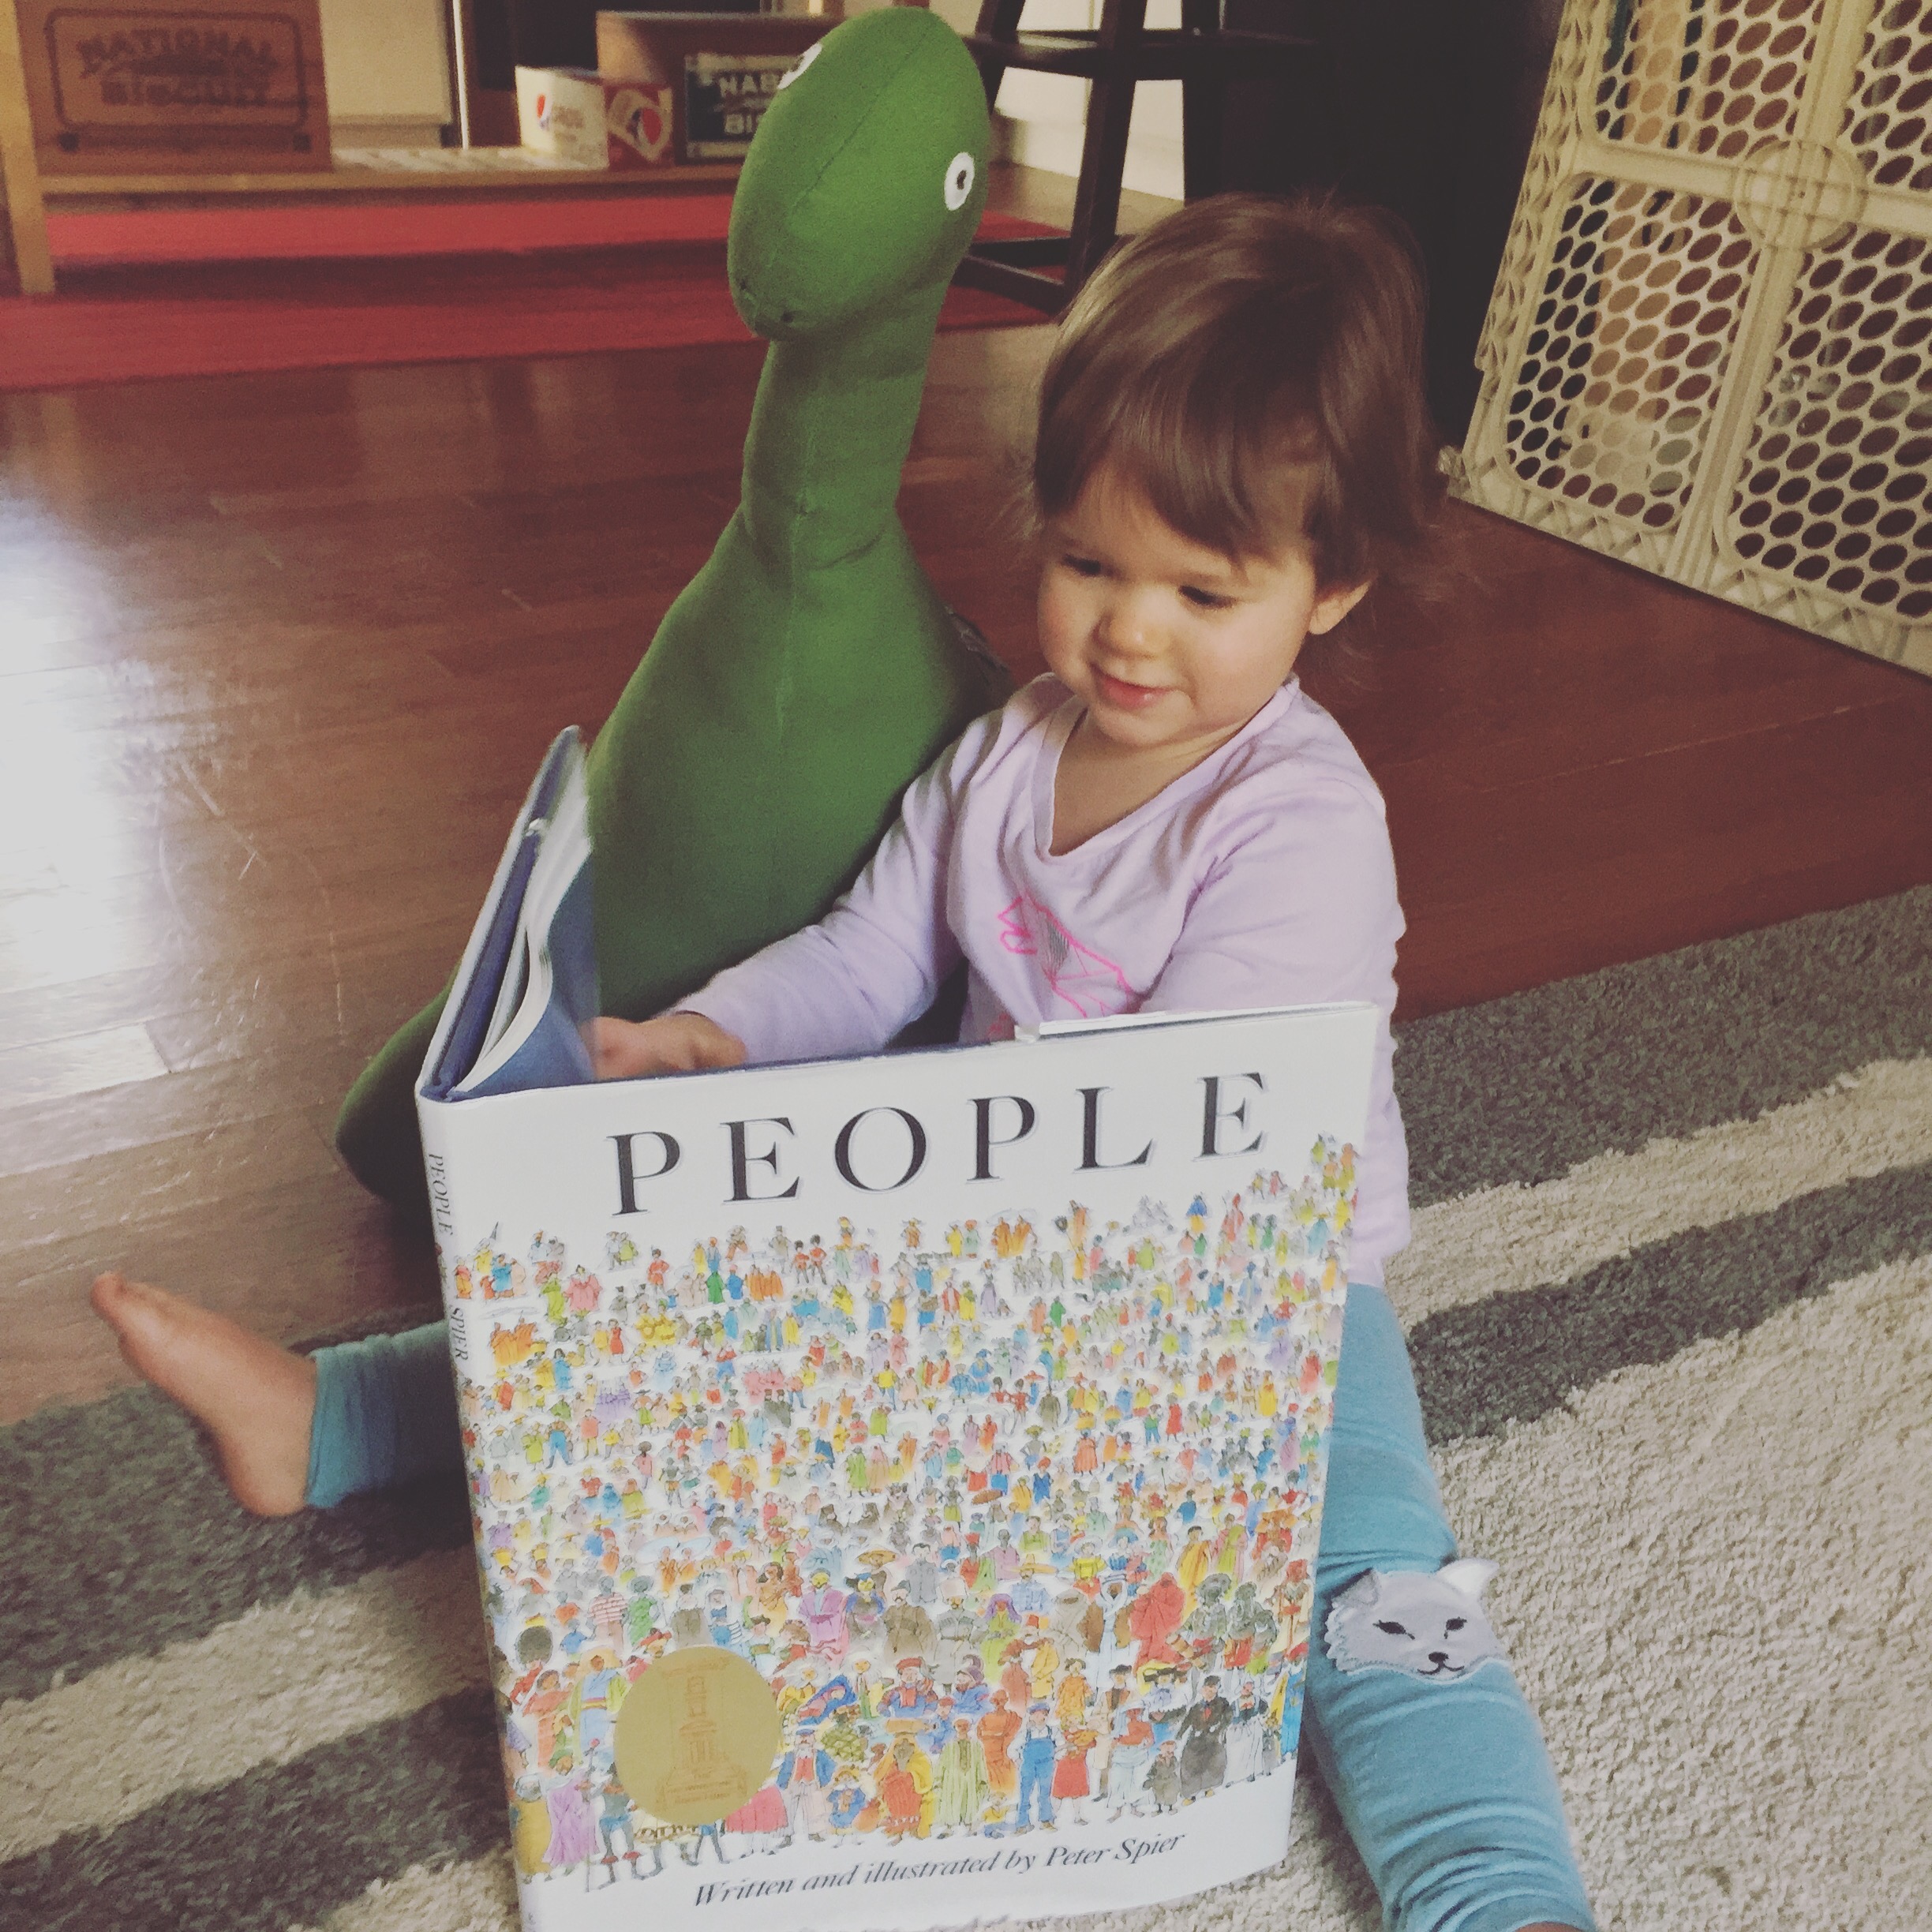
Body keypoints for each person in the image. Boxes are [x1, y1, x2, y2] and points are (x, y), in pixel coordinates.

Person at [92, 193, 1594, 1932]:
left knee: (1375, 1594)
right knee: (663, 1331)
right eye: (1089, 564)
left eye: (1203, 590)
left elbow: (1179, 1143)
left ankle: (1496, 1893)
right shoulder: (1011, 751)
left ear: (1331, 587)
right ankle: (334, 1418)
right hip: (996, 1237)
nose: (1129, 633)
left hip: (1259, 1294)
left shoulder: (1296, 827)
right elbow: (874, 951)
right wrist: (713, 1033)